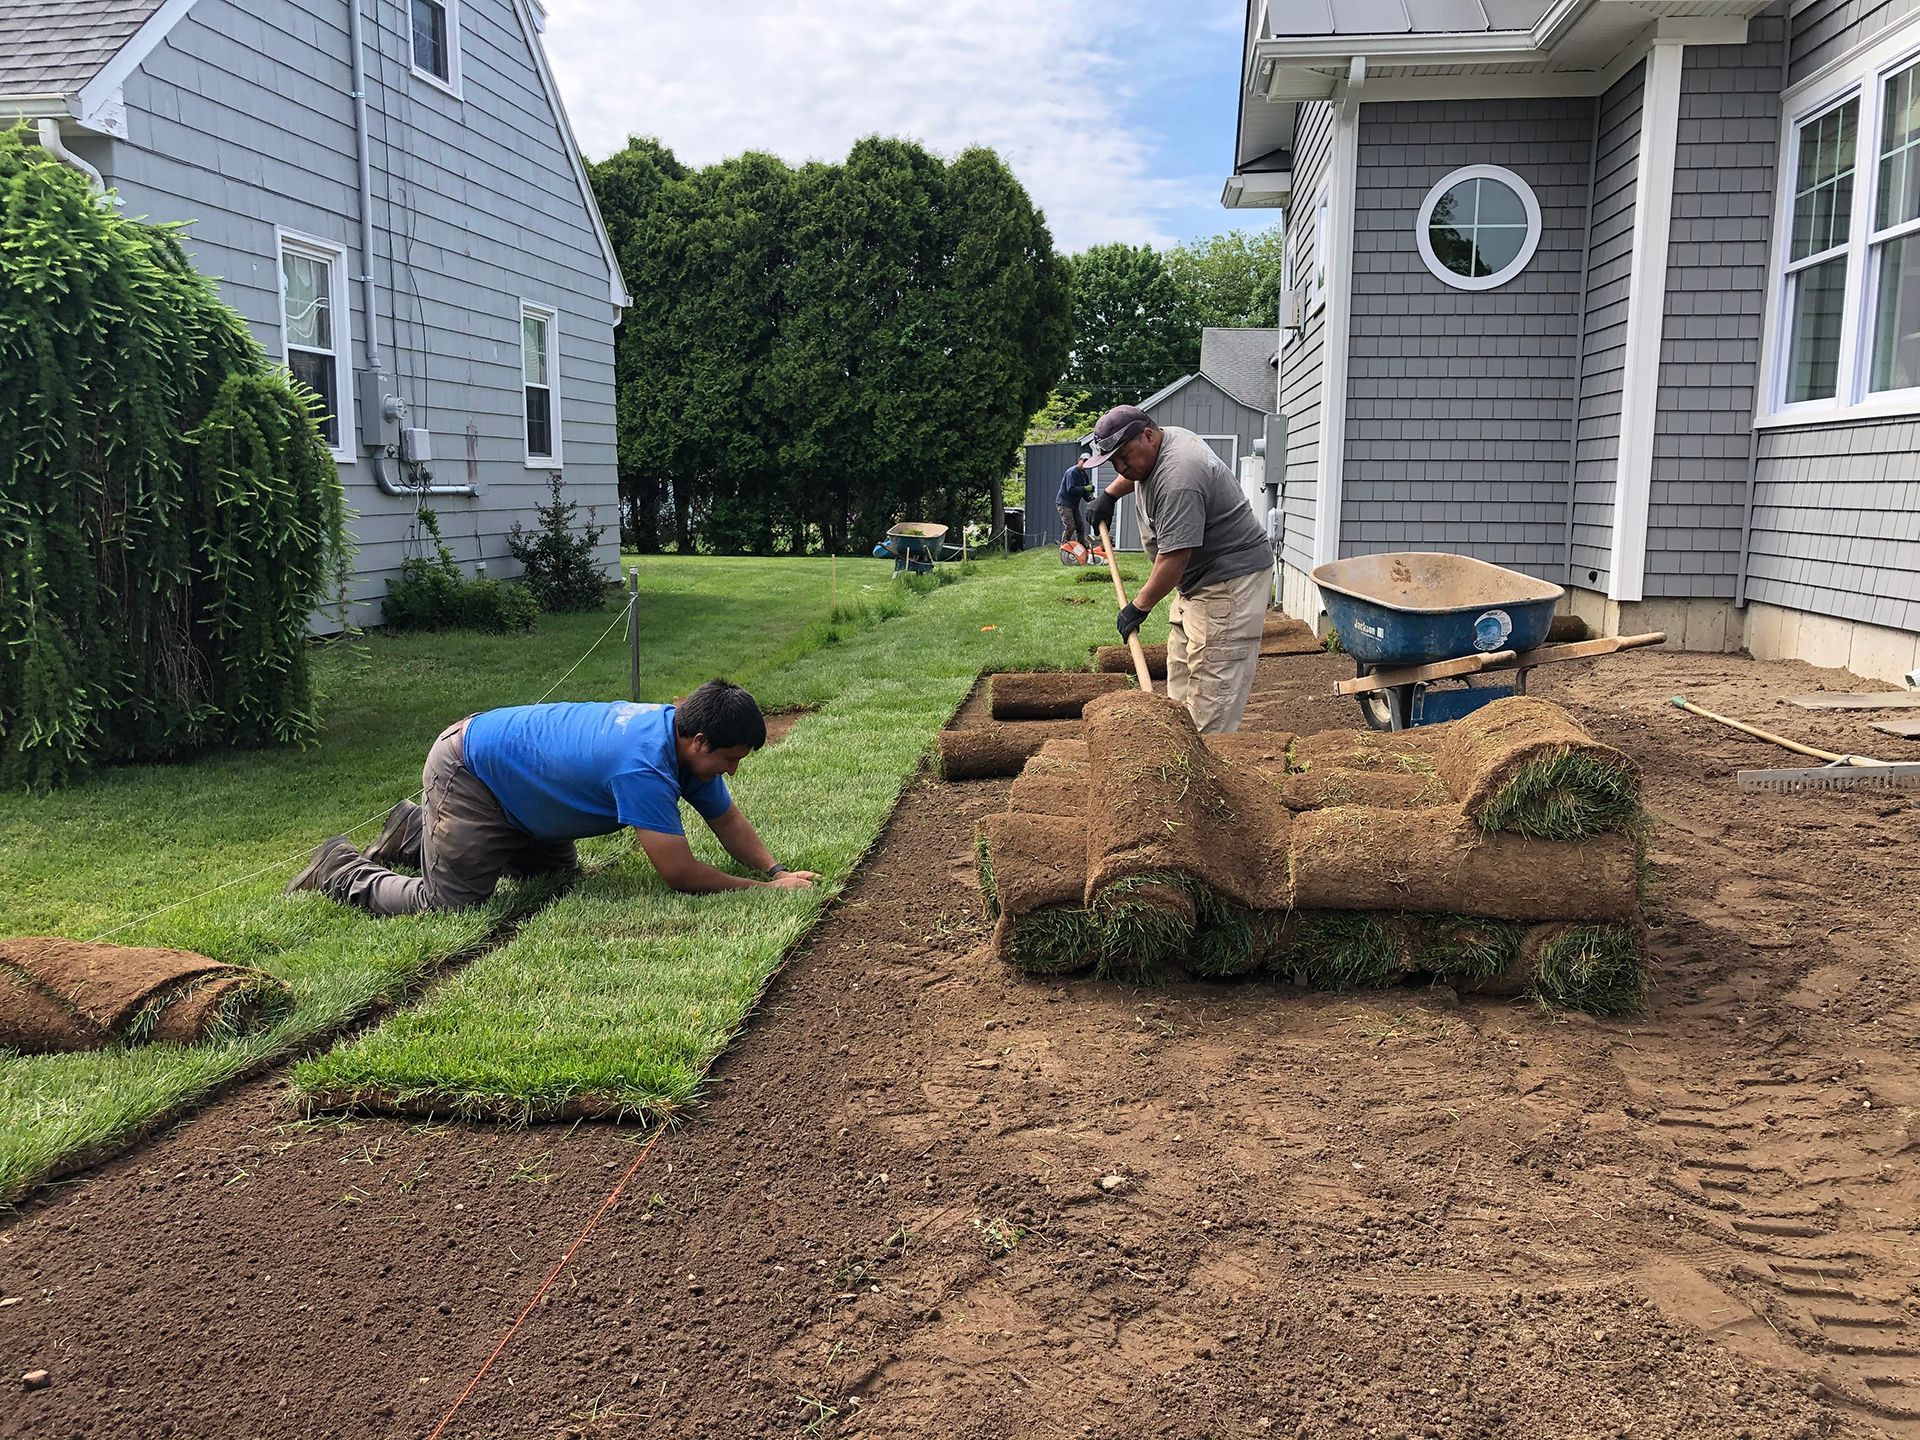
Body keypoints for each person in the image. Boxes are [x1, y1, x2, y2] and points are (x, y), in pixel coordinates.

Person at [287, 678, 818, 915]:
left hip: (526, 796)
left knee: (553, 879)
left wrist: (775, 870)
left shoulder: (679, 740)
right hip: (473, 773)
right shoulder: (643, 764)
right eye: (729, 759)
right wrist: (762, 891)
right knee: (451, 902)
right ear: (699, 741)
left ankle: (415, 829)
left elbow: (725, 819)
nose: (731, 770)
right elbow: (678, 874)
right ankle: (337, 868)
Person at [1085, 404, 1274, 734]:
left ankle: (1203, 771)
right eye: (1114, 461)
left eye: (1124, 456)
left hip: (1229, 582)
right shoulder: (1161, 442)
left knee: (1210, 696)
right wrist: (1111, 494)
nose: (1121, 467)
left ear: (1147, 435)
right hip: (1198, 583)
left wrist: (1138, 607)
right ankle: (1180, 753)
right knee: (1182, 670)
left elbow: (1174, 558)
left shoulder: (1179, 477)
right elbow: (1137, 471)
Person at [1056, 451, 1095, 550]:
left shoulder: (1084, 475)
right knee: (1070, 526)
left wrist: (1091, 499)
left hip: (1073, 505)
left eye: (1088, 461)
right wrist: (1086, 488)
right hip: (1064, 503)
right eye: (1084, 460)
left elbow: (1084, 493)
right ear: (1079, 460)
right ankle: (1064, 547)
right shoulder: (1072, 472)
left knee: (1080, 526)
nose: (1085, 463)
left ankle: (1081, 547)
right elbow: (1071, 489)